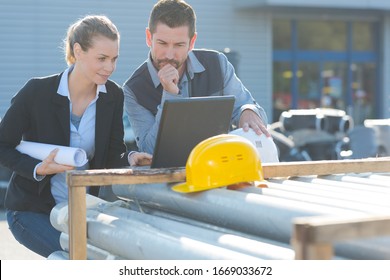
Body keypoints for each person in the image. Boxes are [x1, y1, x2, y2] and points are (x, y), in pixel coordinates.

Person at [0, 15, 152, 258]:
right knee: (77, 258)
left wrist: (131, 158)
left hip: (80, 211)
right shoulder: (36, 92)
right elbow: (2, 145)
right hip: (30, 211)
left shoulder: (112, 95)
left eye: (114, 59)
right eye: (101, 59)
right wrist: (39, 168)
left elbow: (113, 154)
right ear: (78, 51)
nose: (110, 67)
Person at [123, 0, 270, 155]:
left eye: (179, 45)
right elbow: (149, 151)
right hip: (168, 177)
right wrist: (170, 95)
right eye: (162, 43)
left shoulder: (217, 65)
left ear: (192, 42)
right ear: (148, 37)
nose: (169, 54)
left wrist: (247, 110)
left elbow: (252, 113)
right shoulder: (134, 89)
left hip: (220, 169)